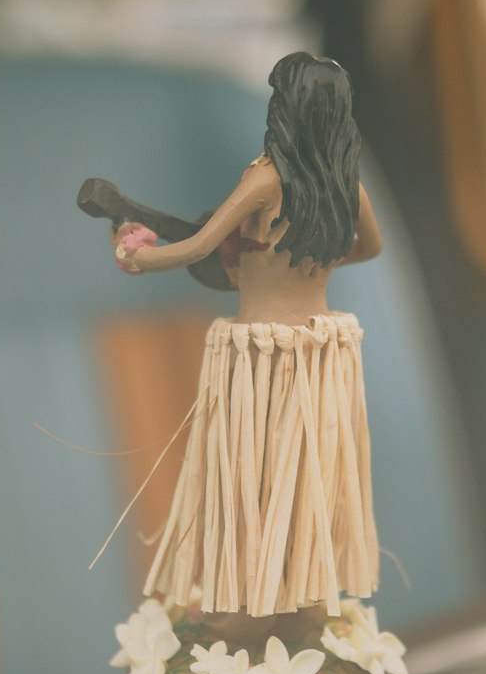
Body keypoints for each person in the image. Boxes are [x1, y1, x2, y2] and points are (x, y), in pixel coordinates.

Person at [112, 52, 382, 634]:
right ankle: (310, 600)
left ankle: (237, 611)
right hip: (320, 351)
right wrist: (309, 257)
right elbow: (371, 248)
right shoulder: (345, 183)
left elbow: (198, 247)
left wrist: (137, 257)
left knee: (250, 476)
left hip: (260, 357)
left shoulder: (266, 179)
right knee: (309, 476)